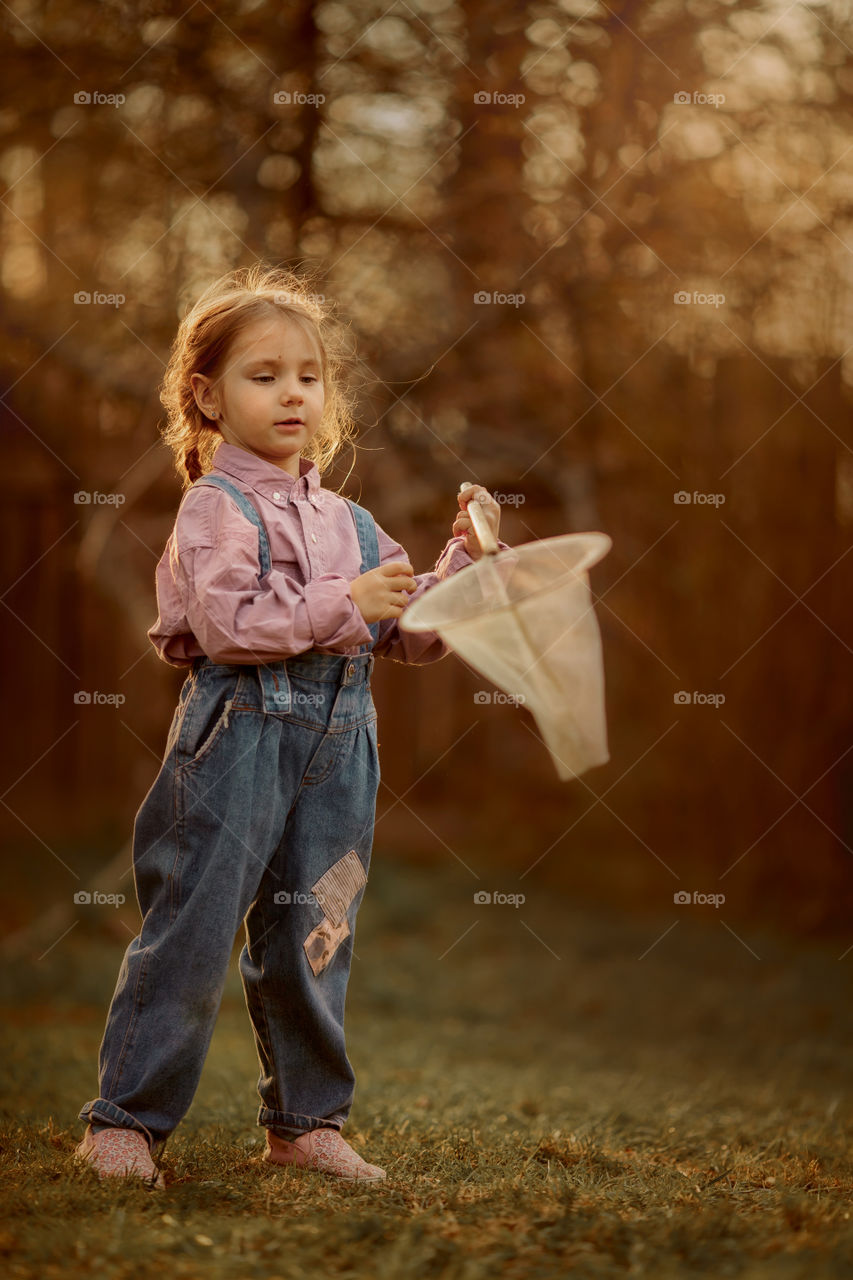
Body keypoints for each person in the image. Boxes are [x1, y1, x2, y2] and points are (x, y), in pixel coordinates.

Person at [74, 263, 508, 1189]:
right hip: (237, 735)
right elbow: (231, 624)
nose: (291, 393)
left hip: (341, 746)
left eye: (307, 375)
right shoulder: (212, 509)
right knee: (192, 926)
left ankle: (305, 1123)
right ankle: (125, 1123)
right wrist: (343, 600)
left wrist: (464, 567)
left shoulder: (351, 522)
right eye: (262, 374)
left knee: (317, 928)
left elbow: (407, 635)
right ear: (207, 395)